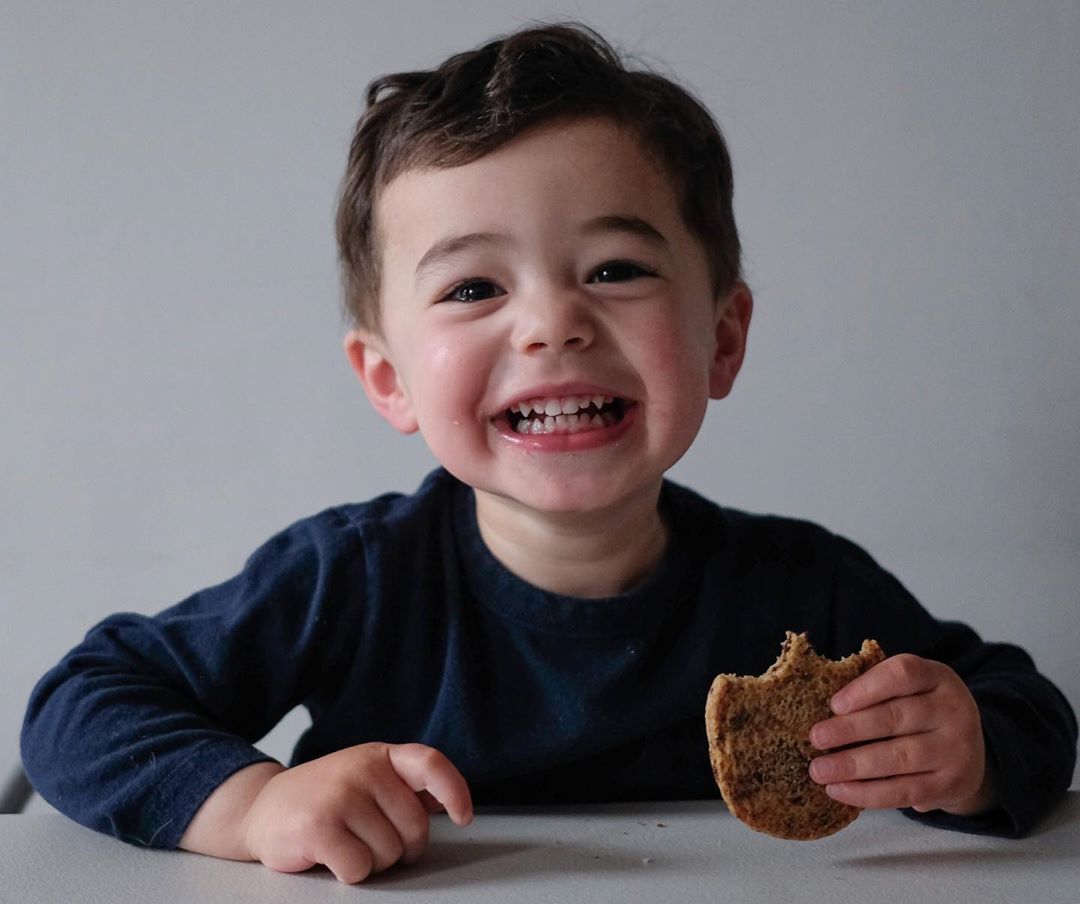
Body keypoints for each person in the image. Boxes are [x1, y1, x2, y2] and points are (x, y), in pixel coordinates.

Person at [21, 22, 1076, 885]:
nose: (552, 324)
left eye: (615, 268)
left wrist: (970, 753)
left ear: (722, 338)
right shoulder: (351, 580)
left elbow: (1028, 708)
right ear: (389, 378)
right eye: (476, 287)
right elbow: (78, 704)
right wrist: (252, 806)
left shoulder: (801, 591)